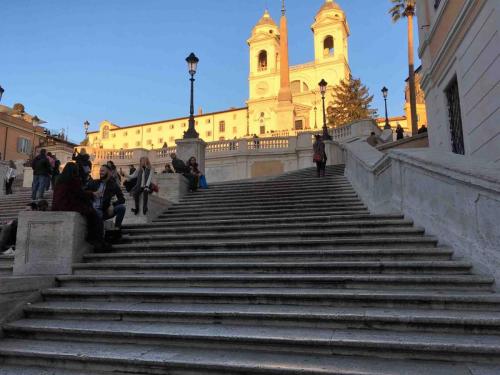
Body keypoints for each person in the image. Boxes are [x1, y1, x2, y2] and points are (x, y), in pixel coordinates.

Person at [52, 163, 107, 250]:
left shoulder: (59, 179)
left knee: (89, 209)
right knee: (94, 215)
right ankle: (95, 240)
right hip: (67, 206)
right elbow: (80, 193)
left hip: (57, 206)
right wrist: (93, 194)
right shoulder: (73, 179)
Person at [87, 164, 126, 230]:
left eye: (103, 171)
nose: (100, 172)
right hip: (93, 210)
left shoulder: (113, 185)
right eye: (100, 171)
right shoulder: (94, 182)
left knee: (122, 208)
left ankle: (117, 228)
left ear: (108, 172)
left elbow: (122, 199)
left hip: (105, 211)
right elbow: (84, 191)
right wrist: (93, 193)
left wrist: (113, 205)